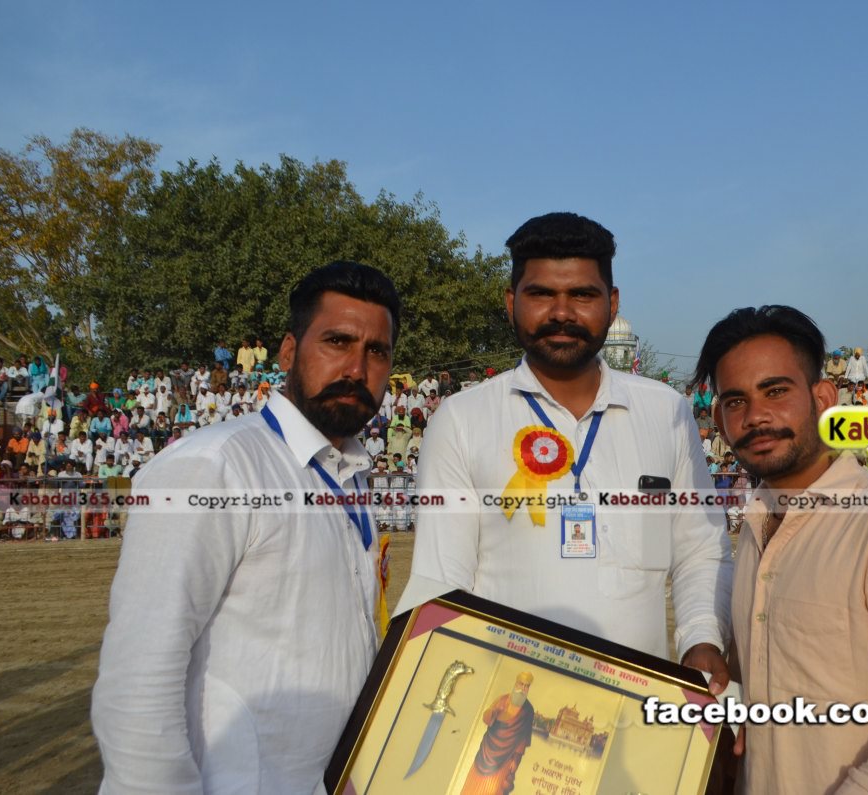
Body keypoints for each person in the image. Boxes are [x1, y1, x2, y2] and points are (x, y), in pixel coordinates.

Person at [93, 261, 402, 793]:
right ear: (288, 351)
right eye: (337, 341)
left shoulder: (349, 474)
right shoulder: (213, 465)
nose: (356, 368)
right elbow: (138, 676)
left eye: (377, 351)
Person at [398, 212, 732, 681]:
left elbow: (701, 550)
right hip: (507, 700)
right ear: (511, 302)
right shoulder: (462, 420)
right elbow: (441, 581)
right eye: (541, 294)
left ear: (612, 304)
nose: (561, 313)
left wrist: (702, 639)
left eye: (582, 295)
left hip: (636, 706)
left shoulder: (667, 413)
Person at [695, 305, 868, 793]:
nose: (756, 416)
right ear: (719, 418)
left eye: (776, 391)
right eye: (736, 401)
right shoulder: (757, 526)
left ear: (822, 398)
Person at [459, 672, 536, 795]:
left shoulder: (528, 710)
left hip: (506, 758)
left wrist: (515, 760)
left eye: (526, 686)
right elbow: (486, 719)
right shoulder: (502, 700)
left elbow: (523, 739)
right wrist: (495, 711)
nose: (523, 688)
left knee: (495, 789)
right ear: (516, 684)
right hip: (486, 752)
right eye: (521, 684)